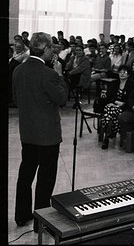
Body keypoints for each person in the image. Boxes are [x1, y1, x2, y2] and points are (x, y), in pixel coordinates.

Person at [12, 32, 67, 232]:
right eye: (52, 47)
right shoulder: (49, 73)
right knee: (45, 178)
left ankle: (21, 215)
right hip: (48, 136)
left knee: (25, 174)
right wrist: (60, 75)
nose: (53, 51)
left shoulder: (18, 70)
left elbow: (16, 100)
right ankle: (40, 223)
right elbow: (62, 99)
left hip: (27, 133)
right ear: (44, 49)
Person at [100, 65, 134, 149]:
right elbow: (109, 96)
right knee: (110, 110)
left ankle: (107, 136)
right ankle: (109, 134)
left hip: (124, 107)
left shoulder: (132, 85)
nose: (122, 74)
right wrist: (115, 102)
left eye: (124, 72)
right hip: (113, 105)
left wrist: (121, 104)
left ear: (128, 74)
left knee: (108, 114)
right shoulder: (114, 83)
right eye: (120, 72)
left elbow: (131, 100)